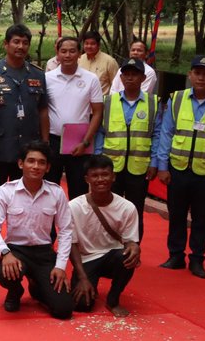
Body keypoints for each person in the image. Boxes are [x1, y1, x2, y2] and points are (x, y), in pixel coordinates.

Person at [153, 55, 205, 279]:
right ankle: (176, 255)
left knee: (201, 218)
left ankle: (197, 259)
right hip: (177, 168)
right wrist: (162, 166)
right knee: (177, 215)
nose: (201, 77)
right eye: (197, 73)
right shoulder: (177, 99)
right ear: (190, 75)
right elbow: (166, 134)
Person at [0, 24, 50, 257]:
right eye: (16, 42)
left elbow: (43, 111)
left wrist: (45, 144)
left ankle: (20, 240)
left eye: (25, 42)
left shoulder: (37, 74)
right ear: (6, 44)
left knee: (25, 197)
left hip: (28, 150)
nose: (20, 46)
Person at [0, 141, 74, 319]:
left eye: (41, 162)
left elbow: (65, 230)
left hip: (44, 254)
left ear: (48, 167)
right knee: (6, 273)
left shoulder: (56, 193)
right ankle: (15, 290)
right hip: (16, 251)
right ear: (20, 164)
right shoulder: (6, 191)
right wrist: (5, 253)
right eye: (31, 161)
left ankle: (37, 286)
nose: (36, 166)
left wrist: (60, 266)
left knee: (63, 310)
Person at [69, 155, 141, 316]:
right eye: (95, 175)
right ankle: (87, 282)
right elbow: (71, 244)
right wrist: (82, 278)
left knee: (129, 256)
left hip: (113, 257)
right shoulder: (73, 207)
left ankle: (113, 299)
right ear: (87, 179)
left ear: (113, 177)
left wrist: (134, 247)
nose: (100, 179)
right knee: (81, 305)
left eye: (105, 174)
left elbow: (130, 241)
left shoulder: (127, 208)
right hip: (87, 259)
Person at [95, 58, 157, 239]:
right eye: (126, 74)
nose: (130, 78)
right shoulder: (108, 101)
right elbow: (100, 131)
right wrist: (99, 159)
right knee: (109, 207)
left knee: (135, 208)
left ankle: (133, 246)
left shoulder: (152, 103)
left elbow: (157, 134)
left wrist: (155, 162)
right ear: (121, 78)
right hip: (111, 166)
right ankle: (107, 246)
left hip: (139, 167)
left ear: (143, 78)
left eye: (135, 74)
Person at [44, 36, 104, 201]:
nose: (68, 55)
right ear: (57, 53)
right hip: (53, 141)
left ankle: (76, 227)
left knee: (78, 192)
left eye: (72, 51)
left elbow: (98, 112)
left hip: (80, 143)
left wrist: (86, 141)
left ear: (80, 53)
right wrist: (45, 141)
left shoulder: (91, 79)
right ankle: (49, 227)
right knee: (49, 190)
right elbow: (42, 110)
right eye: (63, 51)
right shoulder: (48, 78)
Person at [79, 31, 119, 97]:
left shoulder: (109, 61)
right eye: (86, 43)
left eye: (92, 44)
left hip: (102, 102)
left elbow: (116, 86)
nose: (89, 46)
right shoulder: (79, 60)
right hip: (82, 102)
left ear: (98, 45)